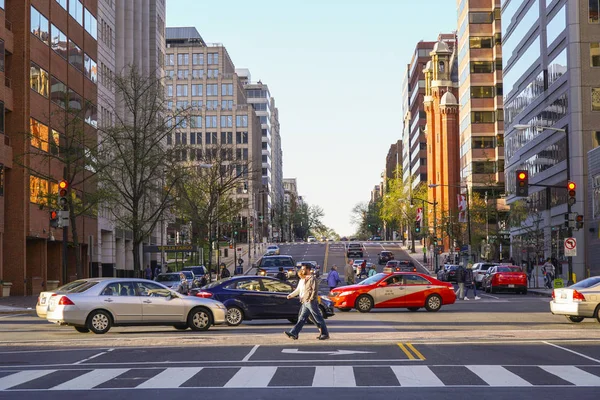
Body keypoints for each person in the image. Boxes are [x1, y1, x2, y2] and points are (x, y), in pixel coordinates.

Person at [285, 264, 329, 340]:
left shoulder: (312, 279)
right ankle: (294, 333)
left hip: (310, 301)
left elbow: (314, 290)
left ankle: (325, 334)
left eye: (304, 269)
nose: (302, 271)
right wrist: (291, 295)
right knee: (302, 318)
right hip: (304, 301)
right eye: (302, 269)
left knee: (318, 318)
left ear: (309, 270)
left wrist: (311, 299)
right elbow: (299, 290)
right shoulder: (303, 279)